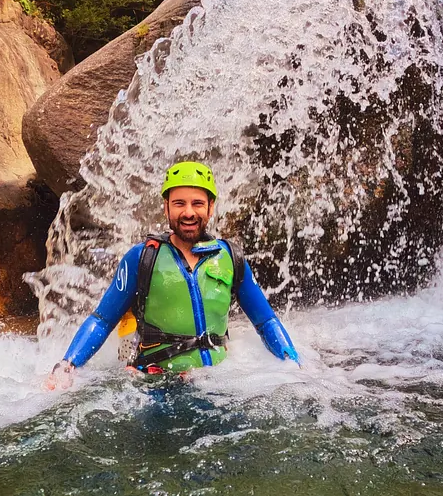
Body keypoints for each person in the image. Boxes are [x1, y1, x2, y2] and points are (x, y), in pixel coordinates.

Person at [47, 161, 299, 389]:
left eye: (197, 203)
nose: (188, 212)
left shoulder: (231, 258)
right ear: (166, 207)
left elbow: (265, 322)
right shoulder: (142, 257)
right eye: (179, 203)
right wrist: (67, 365)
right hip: (156, 385)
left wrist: (292, 363)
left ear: (210, 208)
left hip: (220, 385)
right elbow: (102, 320)